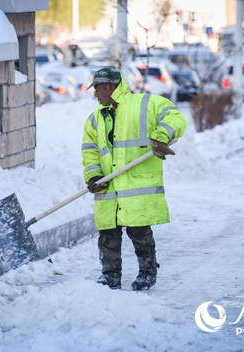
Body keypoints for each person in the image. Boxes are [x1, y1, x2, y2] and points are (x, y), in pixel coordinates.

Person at [81, 68, 187, 291]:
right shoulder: (94, 120)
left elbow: (175, 117)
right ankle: (110, 277)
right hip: (108, 187)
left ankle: (147, 273)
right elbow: (89, 151)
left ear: (110, 86)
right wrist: (93, 175)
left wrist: (161, 137)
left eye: (98, 89)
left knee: (139, 233)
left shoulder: (146, 104)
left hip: (136, 185)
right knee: (108, 234)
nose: (95, 94)